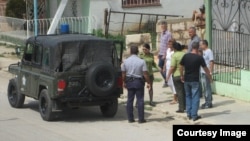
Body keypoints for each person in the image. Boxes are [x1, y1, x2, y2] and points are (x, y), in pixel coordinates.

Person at [179, 42, 212, 121]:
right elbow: (205, 68)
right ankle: (194, 115)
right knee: (195, 97)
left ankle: (189, 113)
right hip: (195, 80)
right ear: (198, 48)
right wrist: (210, 77)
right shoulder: (199, 58)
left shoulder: (186, 56)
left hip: (186, 79)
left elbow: (180, 66)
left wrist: (181, 75)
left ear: (192, 48)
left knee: (188, 96)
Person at [121, 46, 151, 124]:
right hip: (139, 82)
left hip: (129, 82)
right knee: (140, 100)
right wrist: (148, 83)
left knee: (130, 100)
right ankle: (141, 119)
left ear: (130, 52)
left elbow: (123, 74)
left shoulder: (125, 61)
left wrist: (124, 82)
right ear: (137, 52)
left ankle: (130, 118)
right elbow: (145, 74)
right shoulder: (142, 61)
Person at [166, 42, 185, 113]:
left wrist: (167, 76)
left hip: (177, 75)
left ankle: (181, 108)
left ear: (174, 49)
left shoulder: (175, 55)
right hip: (184, 74)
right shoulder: (184, 54)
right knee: (184, 91)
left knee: (179, 92)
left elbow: (172, 67)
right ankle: (186, 105)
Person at [199, 40, 214, 109]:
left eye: (201, 45)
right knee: (204, 87)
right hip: (202, 71)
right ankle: (207, 101)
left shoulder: (209, 51)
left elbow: (211, 62)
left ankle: (209, 102)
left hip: (206, 72)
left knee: (207, 87)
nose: (200, 46)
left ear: (205, 44)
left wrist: (210, 72)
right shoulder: (203, 52)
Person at [158, 20, 172, 87]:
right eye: (161, 25)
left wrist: (165, 54)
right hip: (160, 53)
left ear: (166, 26)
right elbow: (162, 44)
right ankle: (167, 80)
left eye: (164, 25)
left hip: (165, 54)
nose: (162, 26)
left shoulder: (168, 34)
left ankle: (167, 81)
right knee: (160, 68)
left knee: (164, 68)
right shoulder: (161, 33)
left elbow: (169, 44)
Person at [163, 38, 177, 104]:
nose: (169, 45)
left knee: (173, 83)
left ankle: (175, 98)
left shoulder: (174, 51)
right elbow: (166, 59)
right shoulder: (168, 50)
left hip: (172, 68)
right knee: (169, 82)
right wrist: (164, 66)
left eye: (170, 44)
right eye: (168, 43)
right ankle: (175, 94)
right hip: (167, 67)